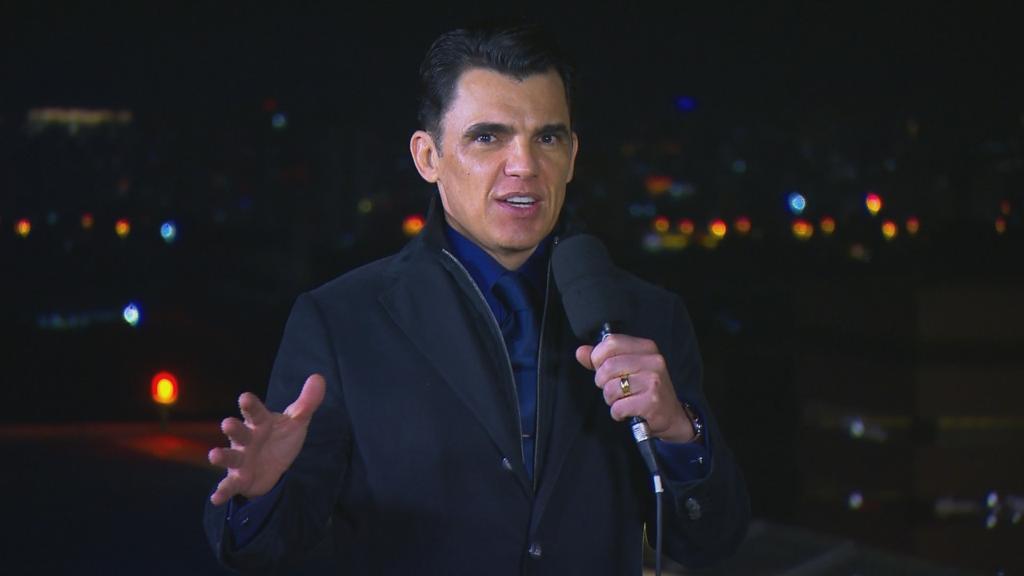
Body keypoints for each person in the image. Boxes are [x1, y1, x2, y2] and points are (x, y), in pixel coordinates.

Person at [204, 23, 749, 574]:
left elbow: (713, 541)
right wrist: (262, 493)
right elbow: (266, 550)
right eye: (488, 138)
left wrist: (680, 432)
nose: (525, 165)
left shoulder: (647, 318)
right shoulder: (342, 322)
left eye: (548, 138)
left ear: (572, 156)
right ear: (428, 157)